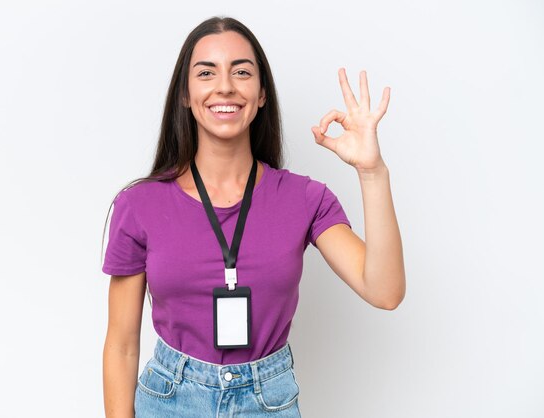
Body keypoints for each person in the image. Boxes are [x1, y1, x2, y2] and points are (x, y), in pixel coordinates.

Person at [100, 16, 405, 418]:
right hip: (169, 401)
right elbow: (122, 344)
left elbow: (384, 291)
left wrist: (372, 172)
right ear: (186, 95)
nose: (224, 86)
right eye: (206, 72)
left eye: (241, 71)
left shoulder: (305, 198)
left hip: (268, 402)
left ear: (261, 94)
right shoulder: (139, 205)